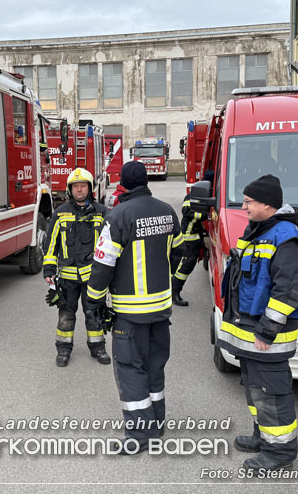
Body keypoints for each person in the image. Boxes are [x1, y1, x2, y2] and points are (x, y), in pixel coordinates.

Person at [87, 161, 184, 453]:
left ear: (123, 186)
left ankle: (140, 435)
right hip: (160, 310)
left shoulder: (118, 215)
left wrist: (93, 300)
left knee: (130, 369)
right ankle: (156, 424)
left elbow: (103, 265)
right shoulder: (167, 211)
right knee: (155, 366)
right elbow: (179, 252)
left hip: (130, 313)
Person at [218, 174, 298, 471]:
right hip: (252, 333)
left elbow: (288, 290)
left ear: (267, 204)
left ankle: (280, 452)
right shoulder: (261, 230)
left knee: (272, 393)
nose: (244, 206)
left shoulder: (284, 237)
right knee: (256, 389)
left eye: (249, 201)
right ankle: (264, 436)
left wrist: (268, 331)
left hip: (267, 336)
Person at [43, 168, 111, 367]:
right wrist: (48, 271)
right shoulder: (60, 213)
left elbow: (110, 245)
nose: (79, 190)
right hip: (68, 278)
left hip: (93, 276)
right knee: (66, 314)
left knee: (94, 312)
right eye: (75, 187)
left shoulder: (102, 213)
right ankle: (63, 350)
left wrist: (110, 273)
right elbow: (50, 245)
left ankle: (98, 347)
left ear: (90, 189)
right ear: (69, 189)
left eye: (83, 186)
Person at [169, 169, 214, 306]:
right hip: (188, 237)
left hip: (195, 236)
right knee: (185, 266)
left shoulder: (203, 194)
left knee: (188, 266)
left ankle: (174, 290)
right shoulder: (191, 197)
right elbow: (187, 212)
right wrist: (206, 215)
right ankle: (174, 293)